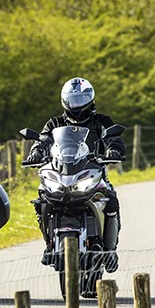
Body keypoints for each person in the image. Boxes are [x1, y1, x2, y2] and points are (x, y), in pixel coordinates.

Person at [26, 77, 125, 271]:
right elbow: (43, 140)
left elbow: (114, 139)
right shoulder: (55, 123)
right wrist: (35, 152)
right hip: (61, 173)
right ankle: (49, 244)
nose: (76, 104)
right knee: (42, 200)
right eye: (73, 99)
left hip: (93, 173)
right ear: (65, 100)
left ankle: (110, 251)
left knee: (111, 200)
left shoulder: (101, 121)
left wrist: (114, 150)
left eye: (81, 99)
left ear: (90, 98)